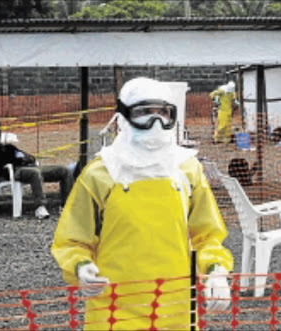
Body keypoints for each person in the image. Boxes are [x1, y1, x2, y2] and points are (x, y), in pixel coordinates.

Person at [51, 77, 234, 330]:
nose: (155, 123)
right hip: (113, 309)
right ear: (124, 117)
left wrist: (216, 270)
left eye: (163, 113)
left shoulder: (188, 170)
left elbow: (207, 235)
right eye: (144, 113)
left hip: (175, 308)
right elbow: (72, 239)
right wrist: (80, 267)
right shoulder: (100, 174)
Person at [0, 129, 74, 219]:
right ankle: (40, 207)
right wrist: (19, 160)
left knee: (64, 170)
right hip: (15, 171)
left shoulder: (9, 147)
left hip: (31, 166)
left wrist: (28, 158)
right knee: (35, 173)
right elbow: (0, 163)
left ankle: (67, 205)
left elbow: (24, 155)